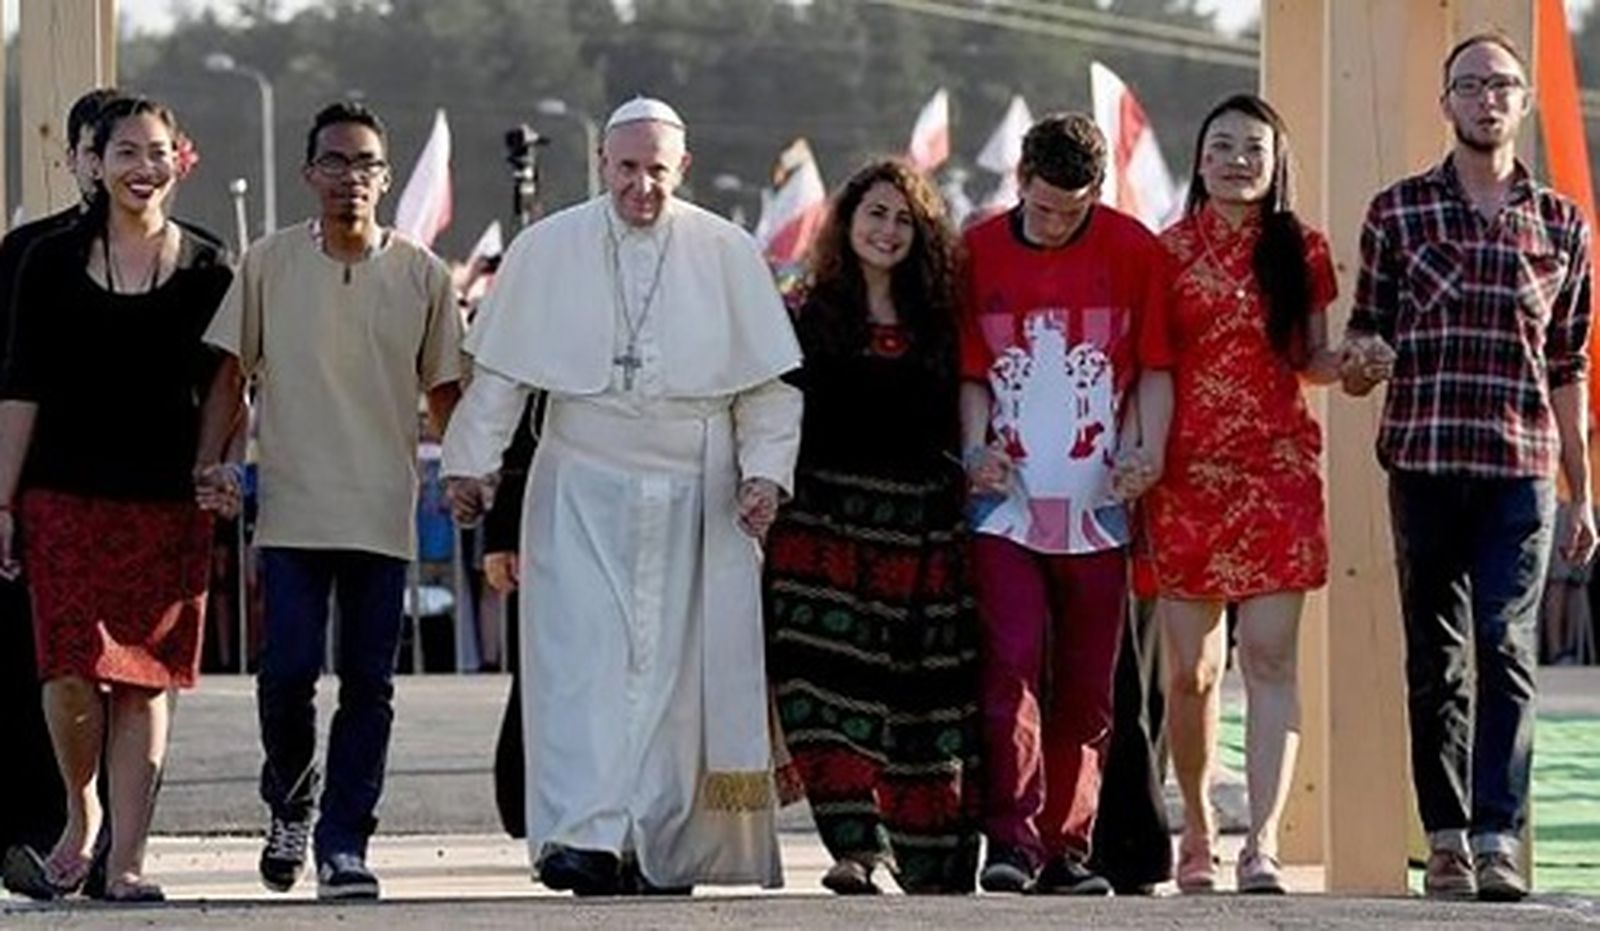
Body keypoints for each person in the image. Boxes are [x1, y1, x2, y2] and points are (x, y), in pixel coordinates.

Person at [442, 96, 802, 896]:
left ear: (686, 169)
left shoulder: (729, 251)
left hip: (695, 491)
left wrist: (763, 475)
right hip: (579, 484)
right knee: (583, 667)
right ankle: (582, 837)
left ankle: (659, 843)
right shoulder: (547, 249)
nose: (643, 187)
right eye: (628, 168)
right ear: (602, 164)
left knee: (675, 681)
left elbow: (770, 392)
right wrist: (470, 463)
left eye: (659, 171)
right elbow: (502, 377)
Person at [1341, 33, 1594, 902]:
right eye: (1471, 85)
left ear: (1524, 103)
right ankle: (1444, 839)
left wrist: (1582, 489)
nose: (1488, 99)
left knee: (1505, 646)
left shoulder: (1562, 224)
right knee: (1437, 657)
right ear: (1446, 104)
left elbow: (1569, 367)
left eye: (1504, 86)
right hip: (1422, 459)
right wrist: (1365, 357)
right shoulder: (1398, 211)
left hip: (1520, 467)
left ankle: (1498, 837)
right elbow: (1366, 326)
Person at [192, 100, 464, 900]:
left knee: (369, 687)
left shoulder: (422, 273)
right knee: (286, 673)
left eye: (367, 164)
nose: (352, 178)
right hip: (293, 511)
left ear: (386, 177)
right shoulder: (268, 263)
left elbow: (447, 392)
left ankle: (346, 842)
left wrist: (470, 472)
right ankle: (292, 805)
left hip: (383, 512)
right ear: (310, 174)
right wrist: (214, 462)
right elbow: (230, 376)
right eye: (336, 162)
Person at [0, 96, 231, 902]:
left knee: (143, 677)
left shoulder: (210, 266)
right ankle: (79, 809)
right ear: (93, 161)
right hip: (61, 496)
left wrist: (216, 467)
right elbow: (20, 386)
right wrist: (1, 502)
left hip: (165, 501)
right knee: (68, 667)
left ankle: (127, 859)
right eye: (125, 151)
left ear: (180, 159)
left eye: (157, 151)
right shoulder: (47, 261)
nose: (143, 167)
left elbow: (228, 385)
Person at [959, 112, 1175, 895]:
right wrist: (975, 449)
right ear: (1020, 182)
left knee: (1088, 684)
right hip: (1006, 505)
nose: (1055, 224)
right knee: (1010, 665)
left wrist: (1148, 452)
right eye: (1044, 207)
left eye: (1073, 210)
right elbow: (972, 372)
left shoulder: (1133, 251)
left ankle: (1066, 848)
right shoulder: (975, 250)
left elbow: (1155, 367)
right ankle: (1009, 842)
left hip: (1099, 505)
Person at [1139, 94, 1341, 895]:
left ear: (1275, 161)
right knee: (1190, 672)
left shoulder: (1305, 250)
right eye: (1221, 146)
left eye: (1253, 148)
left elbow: (1315, 359)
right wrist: (1145, 452)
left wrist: (1355, 361)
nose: (1237, 160)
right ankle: (1195, 819)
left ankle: (1262, 841)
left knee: (1270, 657)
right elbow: (1153, 365)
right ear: (1199, 160)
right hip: (1187, 478)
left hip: (1278, 473)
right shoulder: (1166, 253)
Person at [763, 159, 981, 895]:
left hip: (922, 536)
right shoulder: (802, 313)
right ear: (846, 223)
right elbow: (768, 417)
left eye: (902, 219)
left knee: (924, 708)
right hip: (819, 535)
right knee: (818, 692)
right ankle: (857, 849)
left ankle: (932, 862)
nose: (887, 230)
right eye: (875, 214)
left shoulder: (944, 322)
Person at [0, 86, 122, 896]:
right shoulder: (26, 254)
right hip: (44, 493)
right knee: (38, 667)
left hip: (143, 497)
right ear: (75, 158)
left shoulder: (196, 255)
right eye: (97, 150)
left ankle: (118, 843)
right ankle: (33, 834)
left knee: (135, 679)